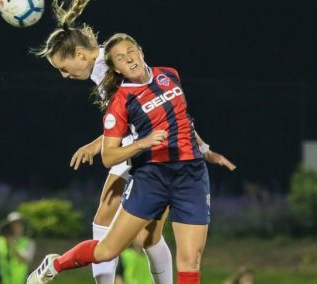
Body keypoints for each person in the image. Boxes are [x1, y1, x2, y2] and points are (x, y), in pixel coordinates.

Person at [34, 1, 236, 284]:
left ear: (79, 54)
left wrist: (103, 144)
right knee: (146, 236)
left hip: (150, 151)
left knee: (109, 216)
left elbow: (149, 109)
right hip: (151, 149)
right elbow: (139, 112)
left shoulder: (109, 66)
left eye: (64, 68)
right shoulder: (102, 65)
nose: (64, 75)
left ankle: (70, 269)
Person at [0, 212, 36, 284]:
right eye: (13, 224)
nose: (16, 226)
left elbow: (24, 259)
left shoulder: (29, 242)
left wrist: (11, 246)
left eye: (19, 223)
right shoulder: (0, 241)